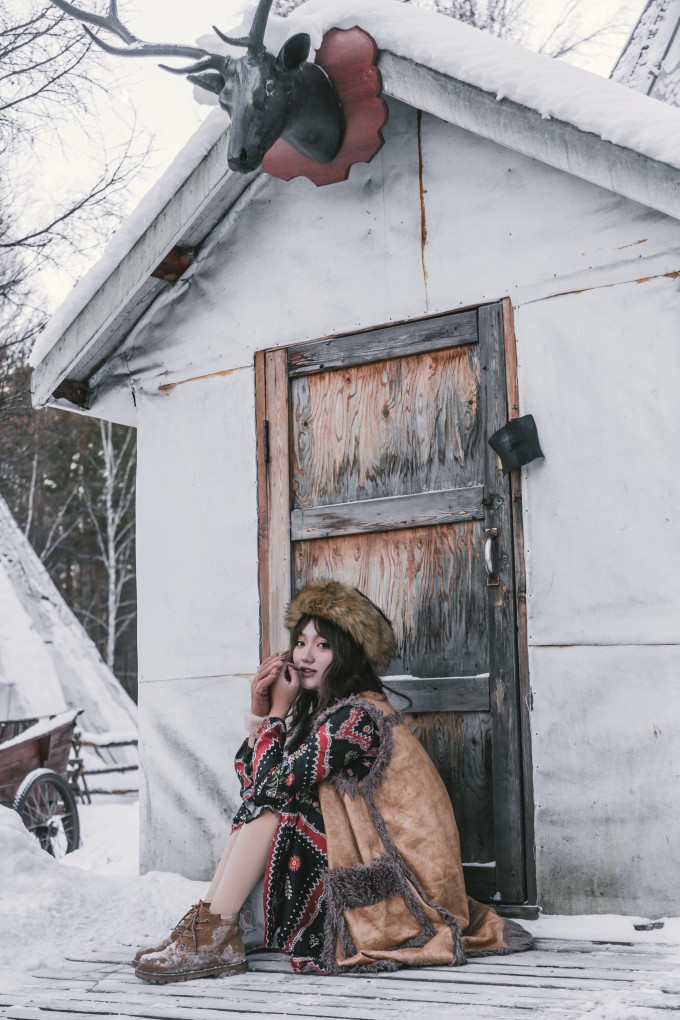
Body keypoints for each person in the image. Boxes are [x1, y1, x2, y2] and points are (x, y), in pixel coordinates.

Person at [133, 580, 532, 983]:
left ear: (347, 655)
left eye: (323, 645)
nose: (305, 655)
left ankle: (214, 933)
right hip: (366, 860)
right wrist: (260, 714)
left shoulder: (357, 718)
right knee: (273, 803)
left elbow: (270, 789)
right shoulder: (334, 714)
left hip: (405, 888)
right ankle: (211, 927)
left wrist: (276, 714)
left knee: (279, 806)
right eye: (300, 642)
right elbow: (253, 787)